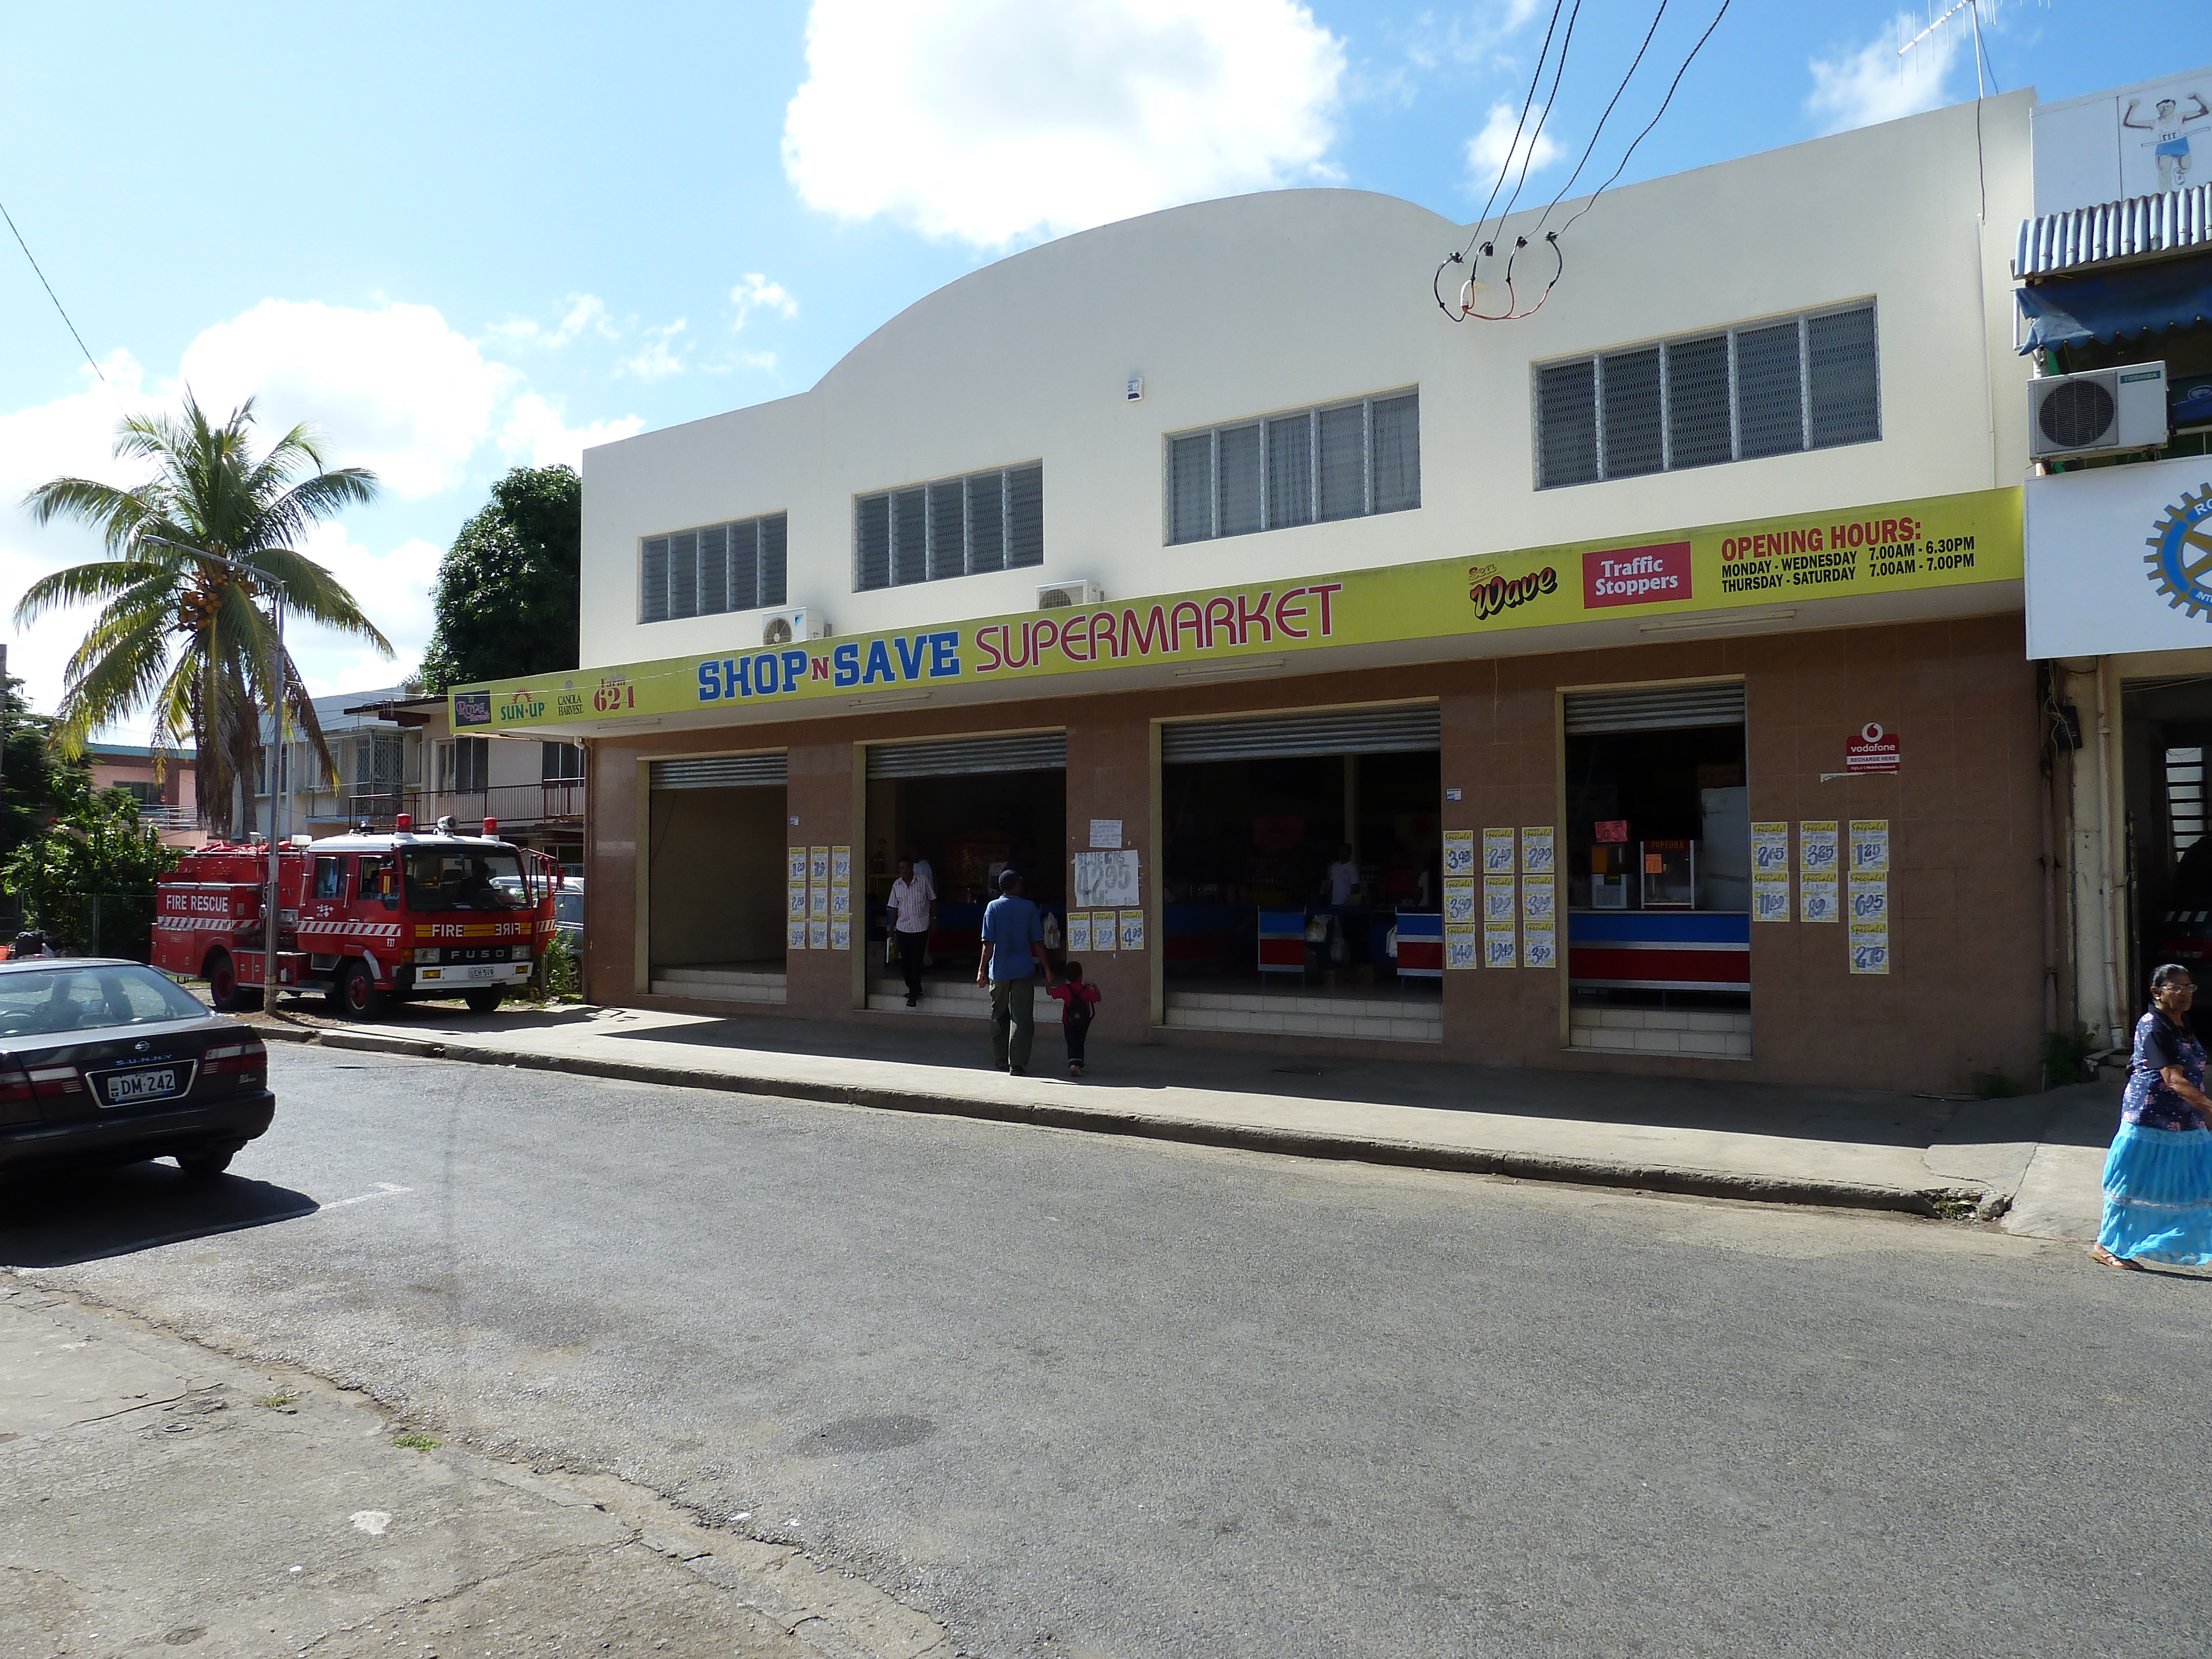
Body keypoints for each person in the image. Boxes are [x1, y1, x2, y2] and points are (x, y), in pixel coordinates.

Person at [2093, 963, 2212, 1271]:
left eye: (2189, 987)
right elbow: (2173, 1079)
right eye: (2177, 987)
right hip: (2150, 1121)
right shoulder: (2153, 1025)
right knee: (2133, 1185)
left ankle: (2178, 1242)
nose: (2185, 993)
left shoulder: (2181, 1024)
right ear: (2157, 993)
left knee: (2196, 1184)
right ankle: (2107, 1246)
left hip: (2186, 1122)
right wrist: (2210, 1107)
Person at [977, 869, 1053, 1076]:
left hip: (999, 970)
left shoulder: (993, 907)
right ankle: (1017, 1063)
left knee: (999, 1014)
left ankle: (1001, 1059)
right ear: (1017, 886)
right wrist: (1047, 969)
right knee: (1022, 1017)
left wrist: (981, 970)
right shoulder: (1028, 908)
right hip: (1022, 970)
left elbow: (988, 944)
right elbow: (1037, 942)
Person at [886, 855, 936, 1008]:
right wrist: (891, 929)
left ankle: (913, 996)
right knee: (905, 964)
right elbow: (894, 907)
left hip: (920, 928)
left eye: (907, 868)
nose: (904, 871)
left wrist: (934, 919)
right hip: (903, 929)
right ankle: (915, 988)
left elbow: (933, 900)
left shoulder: (922, 881)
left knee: (916, 962)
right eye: (901, 868)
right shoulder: (897, 885)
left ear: (911, 868)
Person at [1048, 959, 1101, 1077]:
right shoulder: (1086, 990)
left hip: (1068, 1020)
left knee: (1071, 1042)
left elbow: (1049, 992)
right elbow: (1098, 998)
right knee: (1080, 1041)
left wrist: (1049, 982)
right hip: (1083, 1021)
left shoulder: (1065, 989)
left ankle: (1074, 1064)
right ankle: (1078, 1063)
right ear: (1081, 976)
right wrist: (1094, 986)